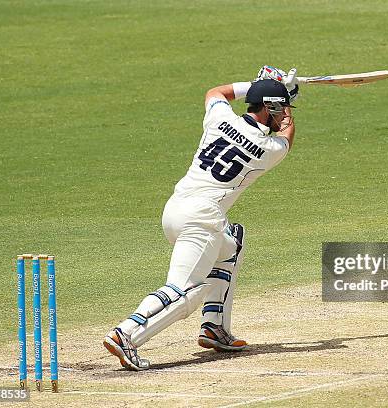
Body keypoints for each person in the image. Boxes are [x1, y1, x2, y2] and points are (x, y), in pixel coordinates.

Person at [103, 66, 299, 370]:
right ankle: (126, 334)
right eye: (280, 109)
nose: (283, 114)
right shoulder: (264, 148)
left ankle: (214, 327)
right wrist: (284, 104)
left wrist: (261, 85)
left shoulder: (220, 119)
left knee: (231, 245)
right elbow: (286, 137)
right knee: (185, 291)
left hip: (176, 209)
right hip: (202, 220)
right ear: (270, 107)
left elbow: (216, 92)